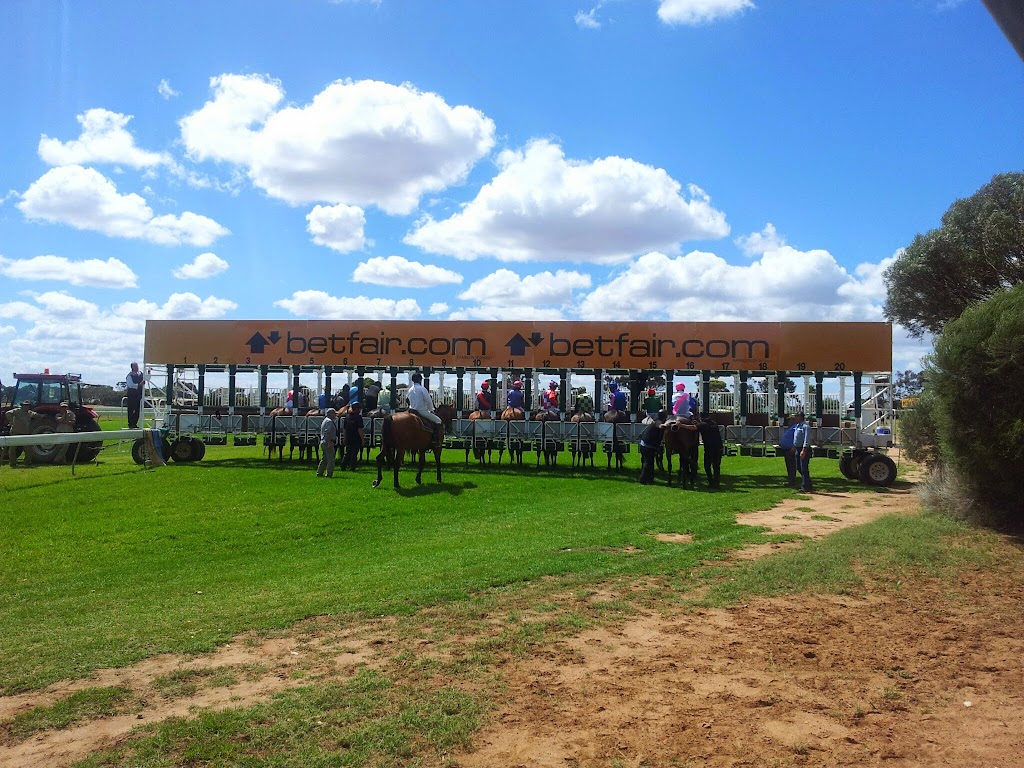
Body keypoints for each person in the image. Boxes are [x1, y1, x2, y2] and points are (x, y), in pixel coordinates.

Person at [407, 372, 442, 444]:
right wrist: (431, 410)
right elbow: (428, 401)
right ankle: (435, 439)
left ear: (413, 380)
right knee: (438, 421)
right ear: (420, 380)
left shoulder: (410, 390)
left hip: (411, 410)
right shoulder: (422, 389)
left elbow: (408, 400)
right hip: (421, 411)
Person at [7, 401, 43, 467]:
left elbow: (36, 415)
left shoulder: (29, 412)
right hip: (15, 432)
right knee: (12, 449)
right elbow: (8, 413)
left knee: (28, 448)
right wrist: (11, 421)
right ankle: (12, 463)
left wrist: (42, 416)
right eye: (25, 405)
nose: (27, 407)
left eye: (28, 405)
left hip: (25, 433)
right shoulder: (17, 410)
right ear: (22, 405)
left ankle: (27, 462)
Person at [637, 412, 665, 484]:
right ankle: (643, 479)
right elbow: (661, 426)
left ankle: (650, 478)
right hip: (647, 446)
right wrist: (667, 425)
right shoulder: (658, 422)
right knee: (648, 463)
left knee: (650, 463)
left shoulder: (655, 421)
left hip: (646, 445)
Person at [790, 411, 813, 492]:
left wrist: (803, 450)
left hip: (804, 449)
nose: (795, 418)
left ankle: (805, 487)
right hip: (797, 448)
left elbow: (806, 439)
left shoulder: (805, 427)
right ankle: (809, 484)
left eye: (796, 416)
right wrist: (794, 447)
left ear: (800, 417)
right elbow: (796, 438)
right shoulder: (797, 426)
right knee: (799, 467)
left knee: (804, 468)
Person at [342, 401, 366, 469]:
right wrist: (363, 439)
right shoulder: (359, 418)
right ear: (357, 409)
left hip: (349, 437)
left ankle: (343, 466)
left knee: (347, 452)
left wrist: (344, 438)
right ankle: (352, 466)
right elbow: (360, 429)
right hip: (356, 437)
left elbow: (344, 429)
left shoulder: (347, 417)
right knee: (354, 453)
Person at [316, 408, 338, 477]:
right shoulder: (329, 422)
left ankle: (319, 472)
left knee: (324, 458)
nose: (335, 415)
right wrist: (329, 442)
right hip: (327, 442)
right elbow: (327, 432)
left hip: (323, 441)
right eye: (334, 413)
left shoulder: (325, 420)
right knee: (331, 459)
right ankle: (329, 474)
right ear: (330, 414)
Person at [779, 414, 798, 487]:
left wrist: (794, 447)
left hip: (791, 450)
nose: (788, 421)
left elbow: (797, 438)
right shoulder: (791, 427)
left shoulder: (795, 427)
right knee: (789, 466)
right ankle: (791, 480)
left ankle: (792, 481)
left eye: (790, 420)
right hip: (787, 449)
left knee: (791, 466)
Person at [126, 362, 146, 429]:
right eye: (135, 366)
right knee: (131, 410)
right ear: (132, 367)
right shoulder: (129, 375)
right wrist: (139, 385)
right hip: (132, 395)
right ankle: (131, 424)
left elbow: (147, 379)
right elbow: (130, 385)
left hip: (139, 395)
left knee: (138, 410)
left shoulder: (141, 374)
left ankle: (135, 423)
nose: (137, 367)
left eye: (137, 366)